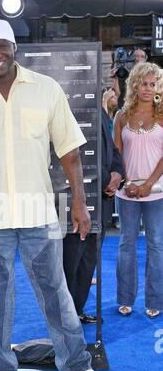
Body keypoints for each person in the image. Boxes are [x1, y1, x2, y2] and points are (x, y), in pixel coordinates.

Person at [0, 19, 108, 371]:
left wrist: (81, 205)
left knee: (56, 293)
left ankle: (76, 365)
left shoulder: (46, 89)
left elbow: (70, 152)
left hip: (39, 214)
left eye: (2, 46)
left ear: (15, 48)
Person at [62, 106, 125, 324]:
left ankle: (77, 310)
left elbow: (113, 151)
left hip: (101, 200)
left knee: (89, 259)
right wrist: (108, 178)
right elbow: (78, 155)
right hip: (73, 201)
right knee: (70, 260)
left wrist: (118, 174)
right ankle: (65, 316)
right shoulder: (71, 110)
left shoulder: (101, 111)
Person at [113, 62, 163, 318]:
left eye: (152, 84)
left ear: (158, 87)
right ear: (134, 84)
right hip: (127, 193)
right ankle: (125, 299)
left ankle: (155, 300)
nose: (147, 88)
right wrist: (125, 183)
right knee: (126, 245)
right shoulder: (122, 115)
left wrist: (147, 185)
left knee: (156, 245)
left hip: (157, 192)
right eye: (143, 83)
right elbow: (116, 153)